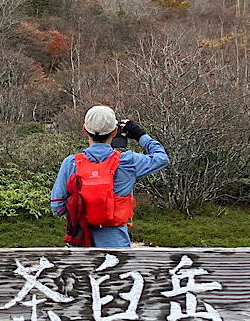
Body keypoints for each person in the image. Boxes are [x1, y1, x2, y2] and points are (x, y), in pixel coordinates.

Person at [51, 105, 168, 247]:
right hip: (117, 250)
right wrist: (139, 135)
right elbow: (161, 158)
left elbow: (58, 208)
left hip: (80, 250)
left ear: (84, 130)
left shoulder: (71, 163)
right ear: (114, 131)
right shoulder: (128, 161)